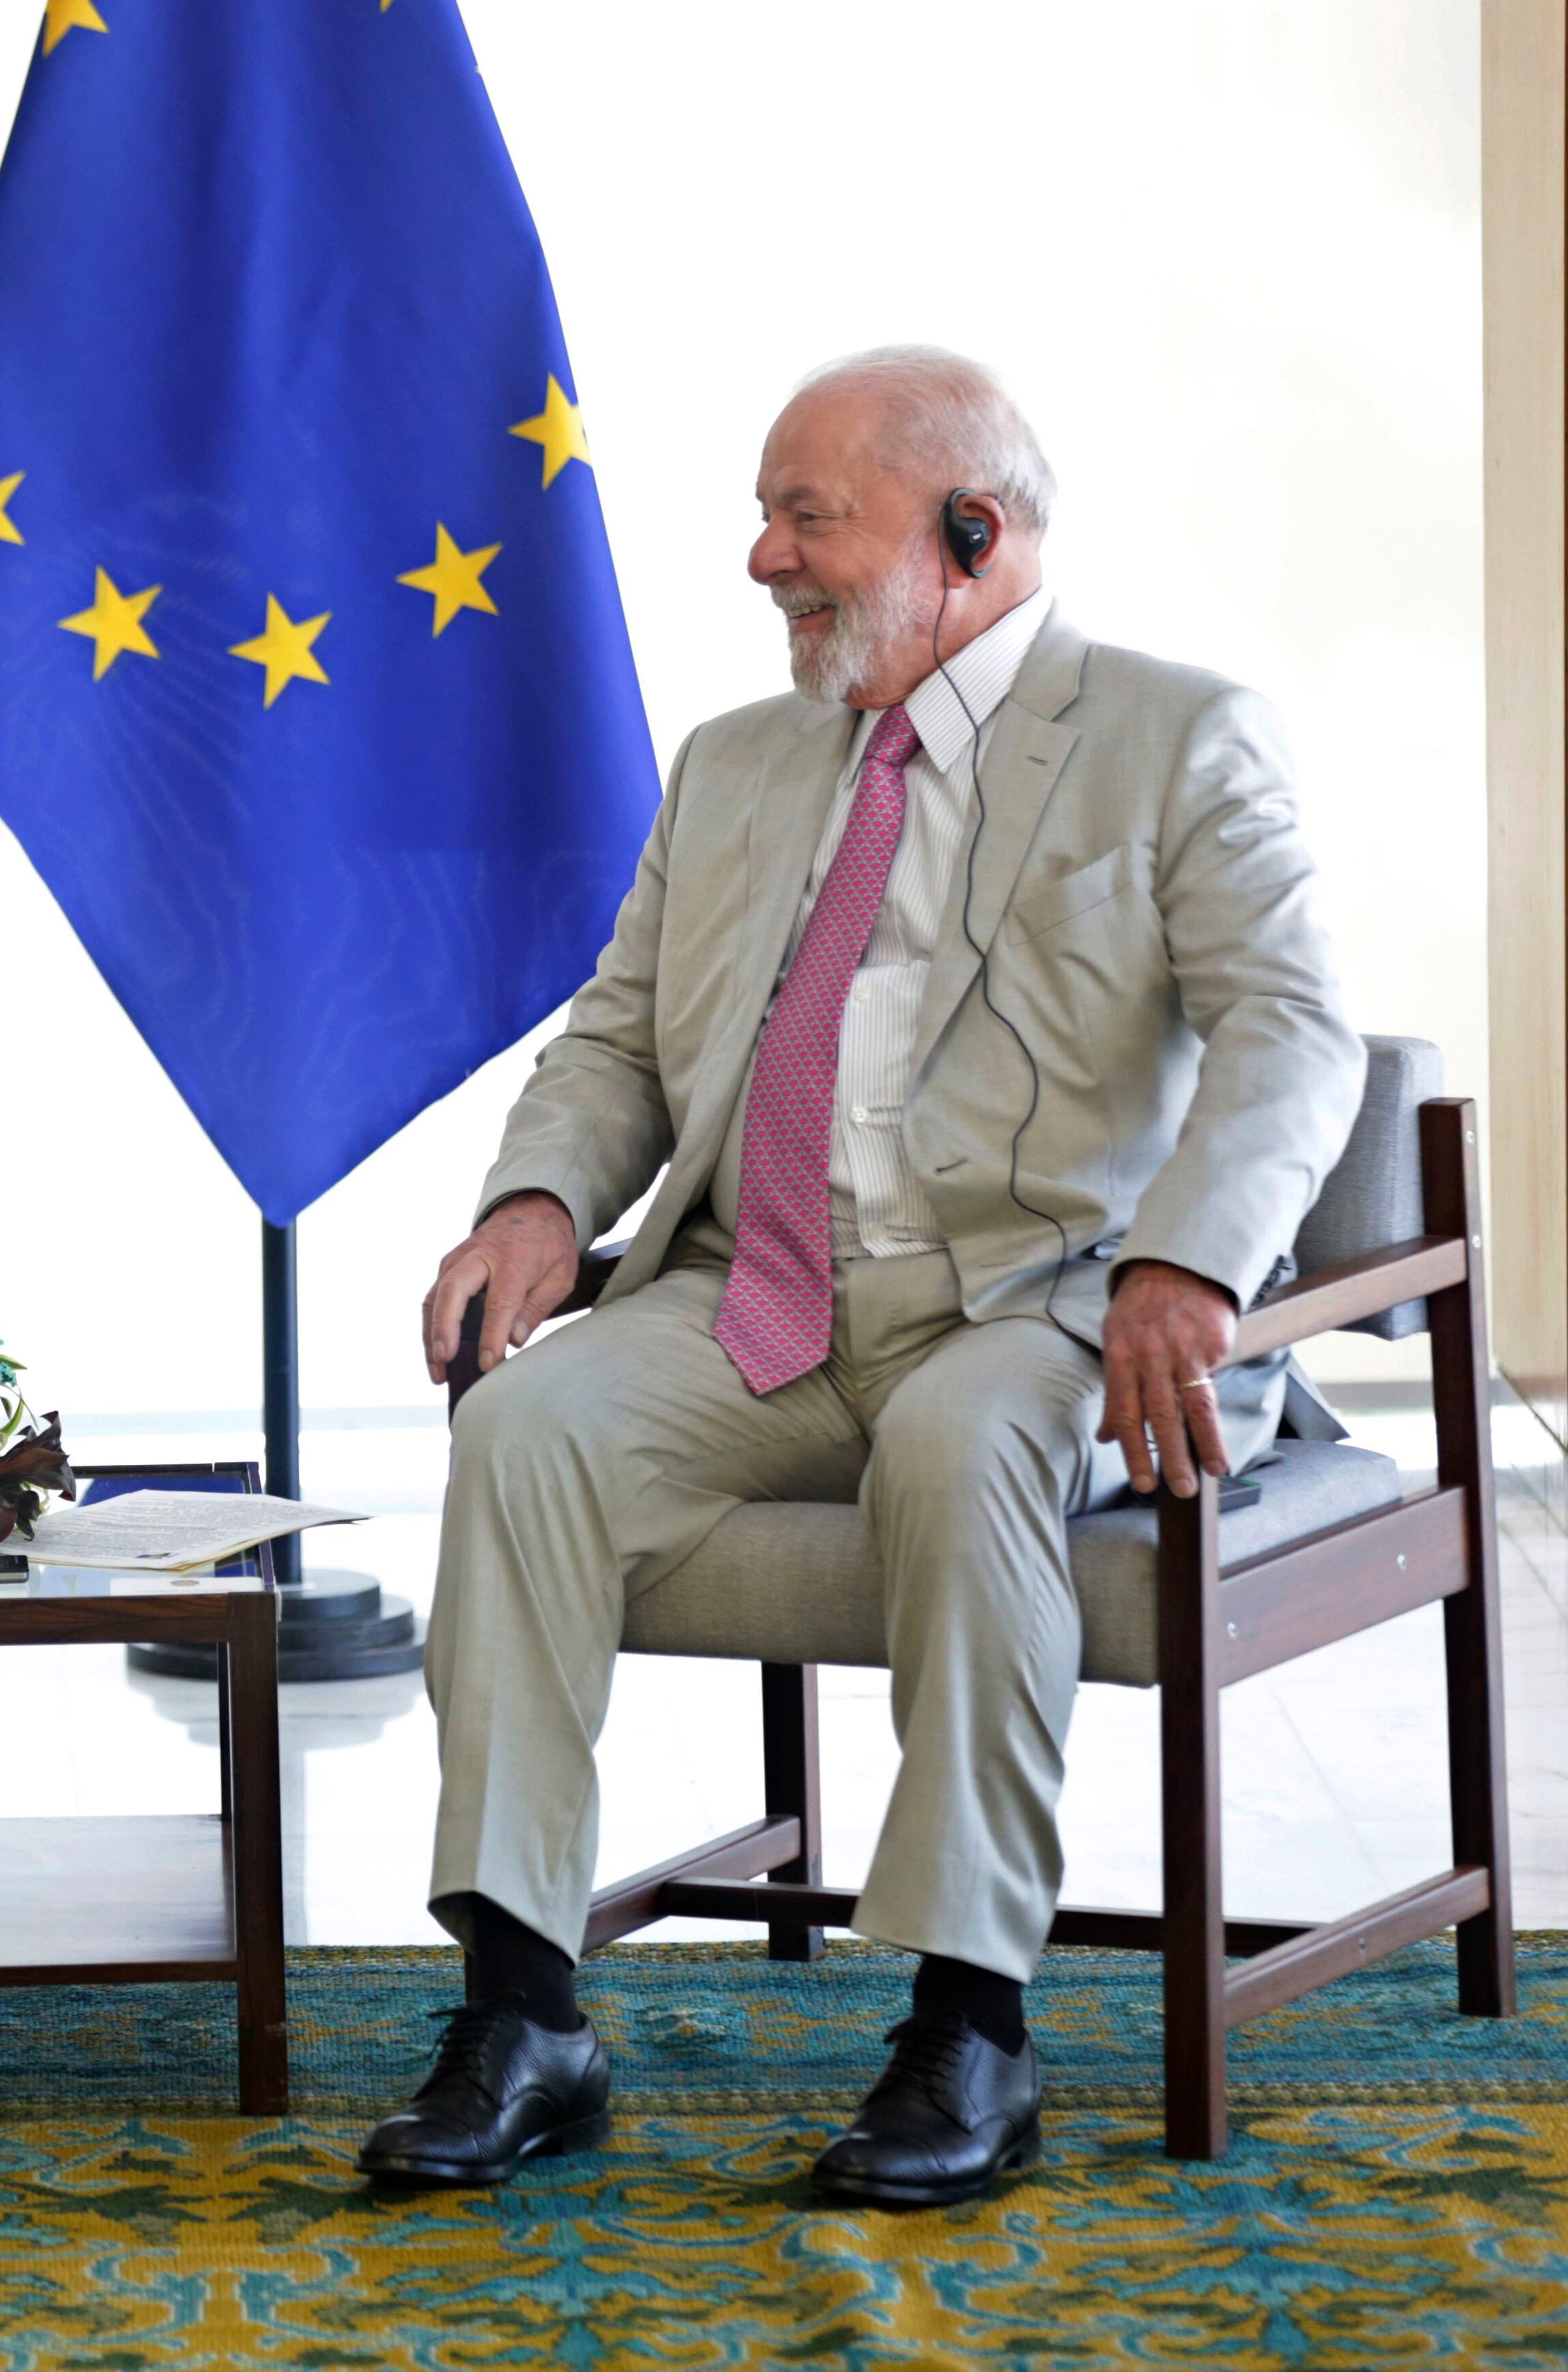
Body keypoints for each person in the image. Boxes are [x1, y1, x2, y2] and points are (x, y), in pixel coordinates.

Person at [356, 348, 1361, 2207]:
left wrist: (1188, 1267)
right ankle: (521, 2014)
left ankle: (969, 2026)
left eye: (806, 515)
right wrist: (539, 1210)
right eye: (766, 512)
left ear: (970, 534)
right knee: (530, 1426)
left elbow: (1292, 1033)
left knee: (962, 1448)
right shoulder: (735, 766)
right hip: (759, 1303)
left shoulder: (1174, 733)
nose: (762, 557)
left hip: (1036, 1305)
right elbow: (623, 1043)